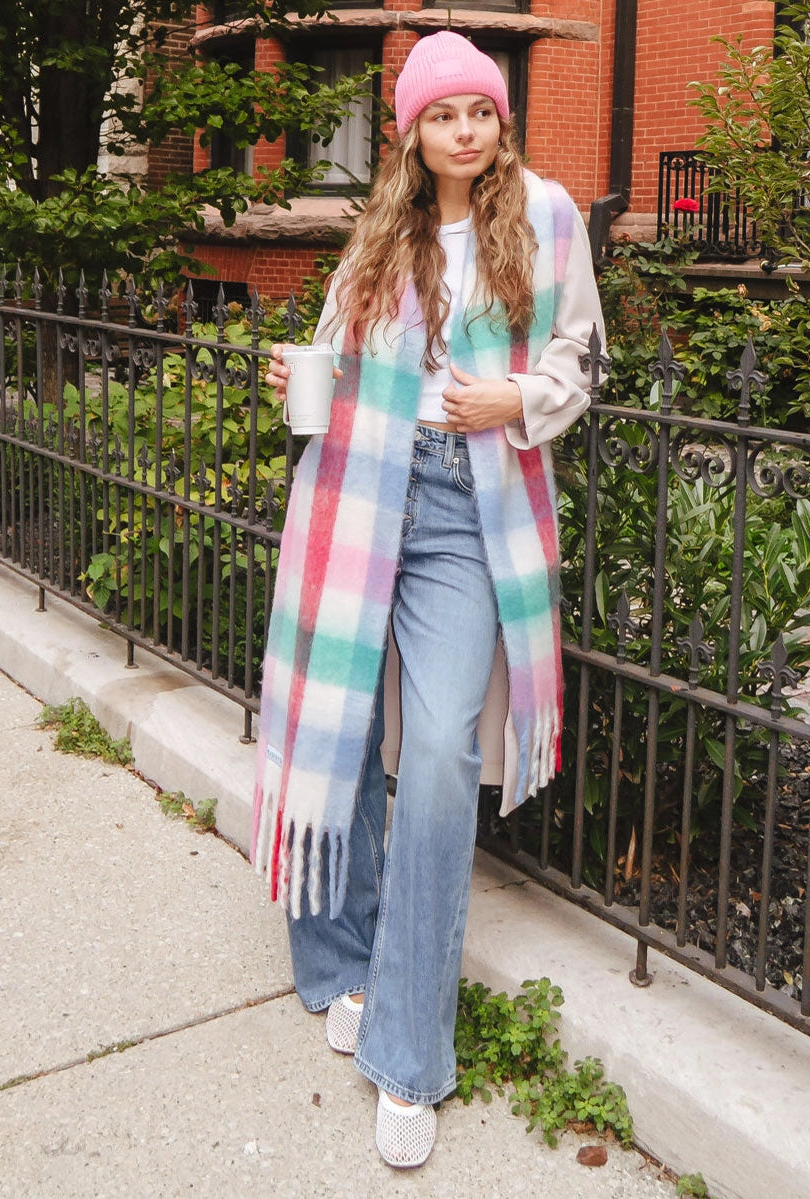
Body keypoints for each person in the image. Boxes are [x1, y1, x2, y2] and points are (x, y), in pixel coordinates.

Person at [251, 30, 604, 1169]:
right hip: (358, 485)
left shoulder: (546, 216)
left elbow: (580, 358)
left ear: (501, 122)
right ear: (410, 130)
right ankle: (340, 958)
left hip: (466, 506)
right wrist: (295, 371)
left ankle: (408, 1052)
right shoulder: (382, 229)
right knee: (341, 722)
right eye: (442, 113)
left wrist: (517, 398)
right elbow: (334, 355)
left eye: (480, 111)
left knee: (443, 746)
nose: (464, 130)